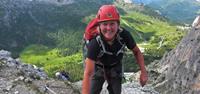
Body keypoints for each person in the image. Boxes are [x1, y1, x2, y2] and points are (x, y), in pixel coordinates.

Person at [82, 5, 148, 94]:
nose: (108, 28)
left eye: (112, 23)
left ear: (118, 25)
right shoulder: (95, 43)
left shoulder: (124, 35)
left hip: (115, 66)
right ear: (99, 26)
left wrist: (143, 72)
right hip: (97, 67)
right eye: (105, 24)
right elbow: (88, 74)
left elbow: (136, 52)